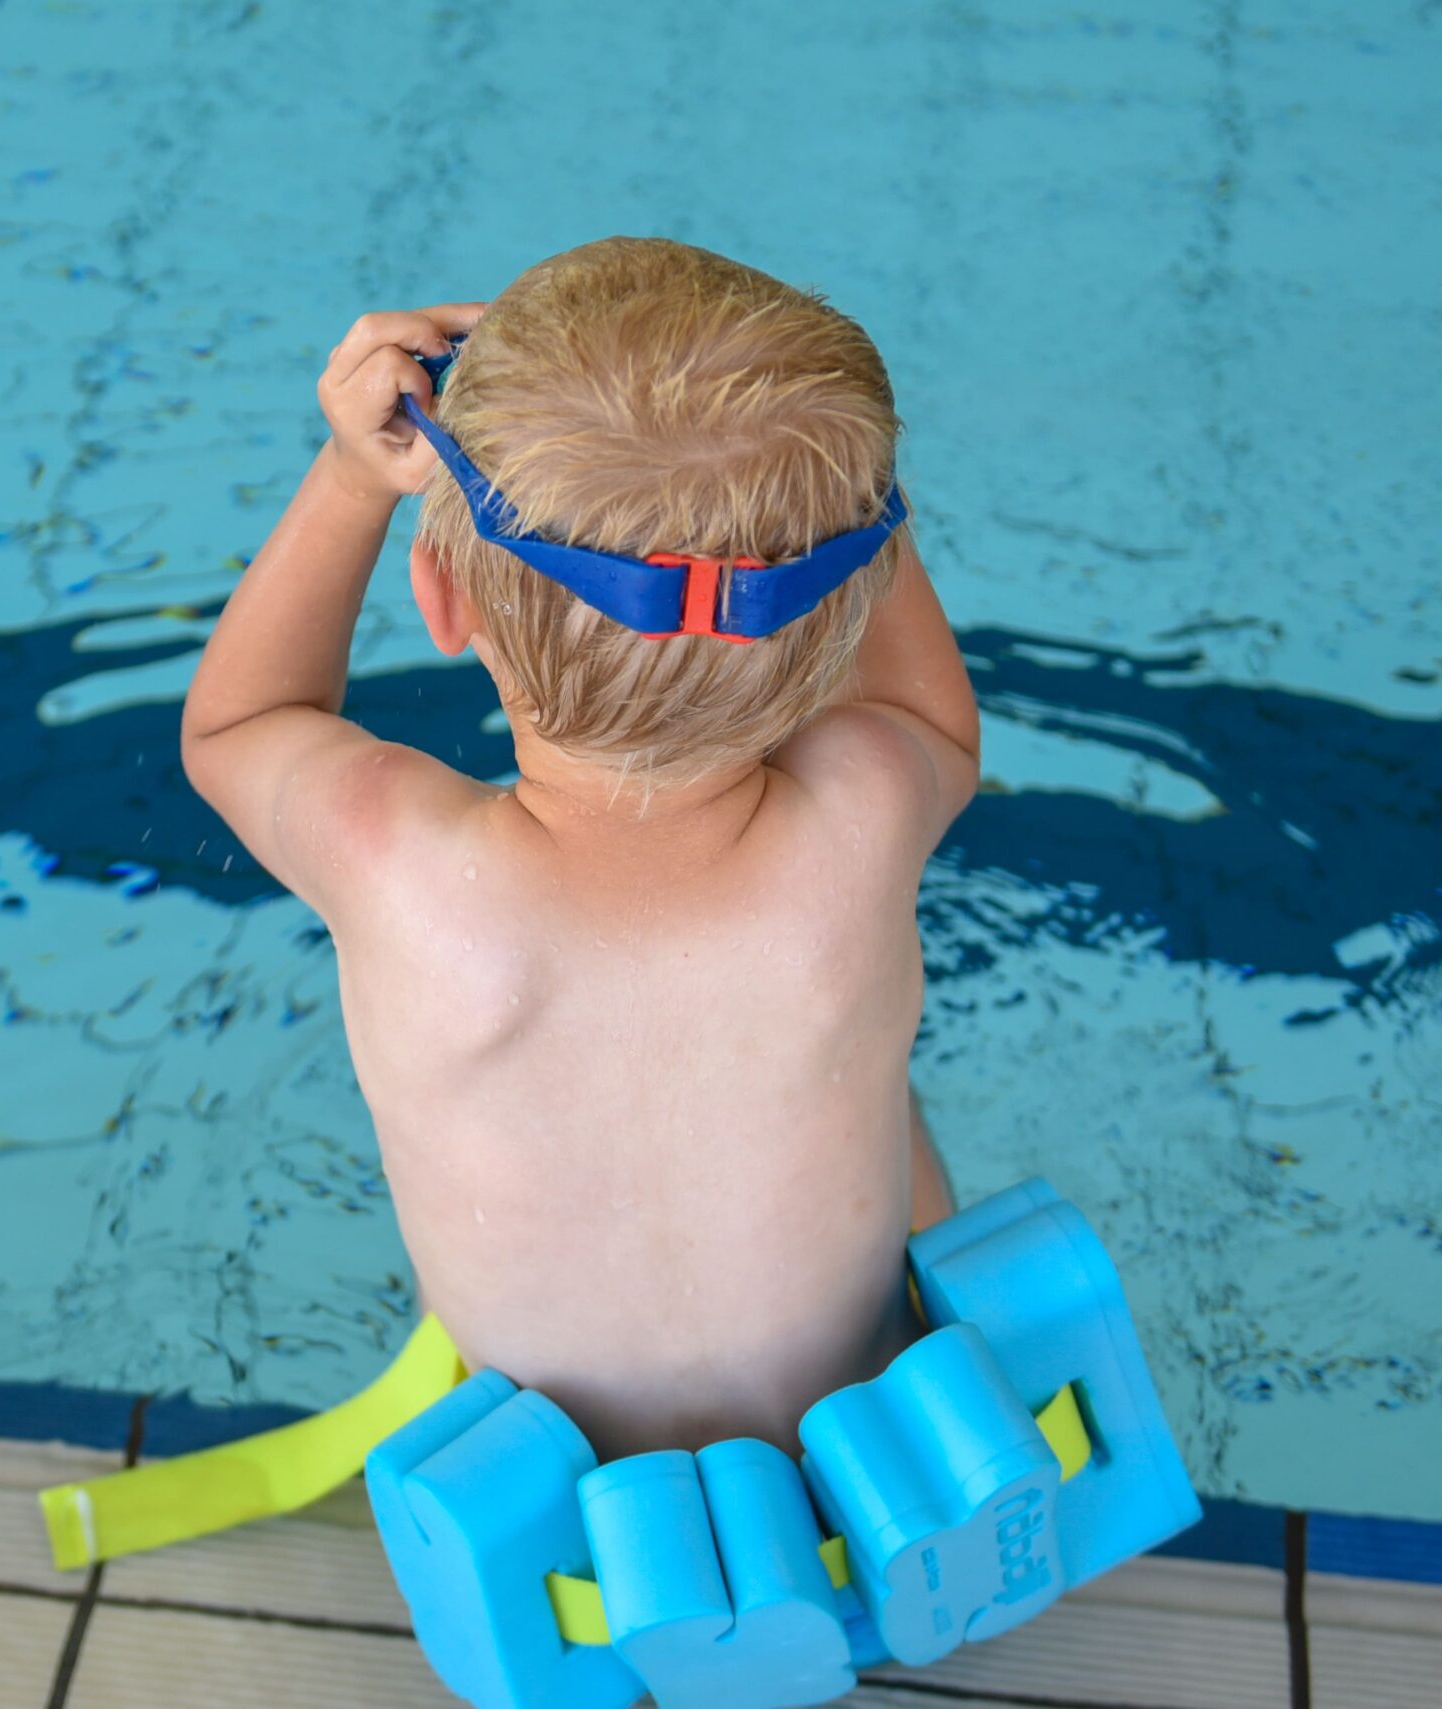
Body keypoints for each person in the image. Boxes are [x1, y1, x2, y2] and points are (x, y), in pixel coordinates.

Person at [179, 238, 978, 1459]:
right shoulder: (865, 813)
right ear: (840, 613)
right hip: (870, 1447)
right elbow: (930, 713)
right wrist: (837, 495)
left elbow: (238, 725)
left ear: (440, 597)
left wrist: (351, 476)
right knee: (867, 1059)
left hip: (554, 1496)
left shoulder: (396, 860)